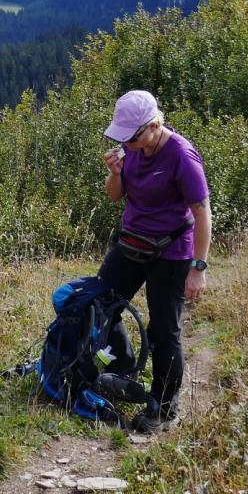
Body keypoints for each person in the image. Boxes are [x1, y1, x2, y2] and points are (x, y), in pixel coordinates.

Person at [97, 89, 211, 434]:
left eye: (131, 137)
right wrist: (116, 173)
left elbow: (203, 214)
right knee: (102, 304)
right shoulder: (131, 151)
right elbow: (116, 196)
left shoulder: (182, 156)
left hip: (171, 253)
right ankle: (124, 371)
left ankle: (162, 407)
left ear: (152, 126)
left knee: (164, 330)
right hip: (131, 243)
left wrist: (198, 268)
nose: (126, 143)